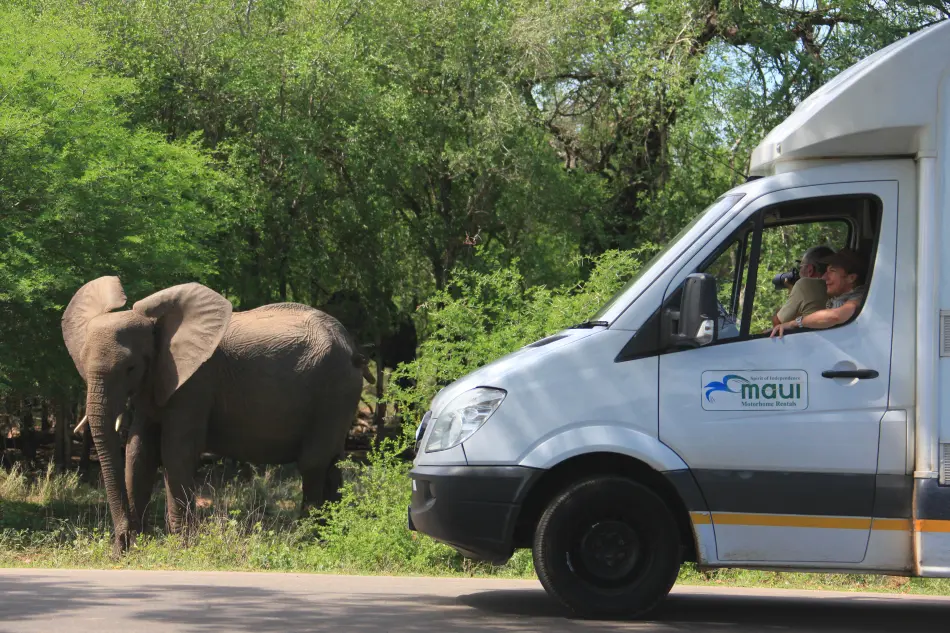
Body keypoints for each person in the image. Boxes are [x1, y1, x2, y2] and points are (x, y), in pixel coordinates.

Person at [770, 248, 868, 338]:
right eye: (826, 271)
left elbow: (835, 316)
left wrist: (795, 323)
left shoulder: (860, 296)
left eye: (832, 271)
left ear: (851, 278)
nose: (824, 277)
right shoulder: (841, 297)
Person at [771, 245, 835, 326]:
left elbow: (777, 323)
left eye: (800, 267)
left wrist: (794, 292)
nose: (798, 272)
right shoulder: (838, 286)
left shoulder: (805, 284)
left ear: (810, 270)